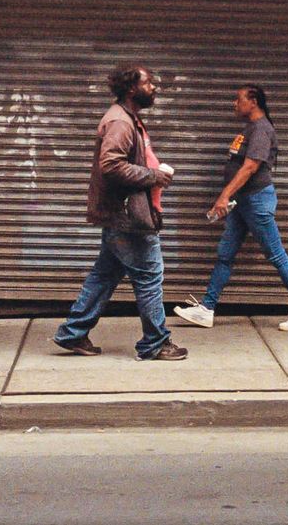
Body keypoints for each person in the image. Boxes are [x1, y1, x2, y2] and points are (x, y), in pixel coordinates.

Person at [53, 65, 188, 361]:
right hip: (129, 216)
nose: (154, 87)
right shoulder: (120, 122)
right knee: (149, 276)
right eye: (148, 82)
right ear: (131, 88)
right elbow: (112, 165)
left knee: (105, 275)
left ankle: (73, 333)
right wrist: (153, 176)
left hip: (123, 213)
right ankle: (155, 343)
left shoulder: (128, 118)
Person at [173, 84, 288, 332]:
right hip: (243, 201)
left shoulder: (261, 129)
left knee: (276, 254)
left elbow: (250, 167)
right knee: (226, 253)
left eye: (238, 98)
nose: (235, 103)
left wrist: (224, 195)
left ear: (253, 102)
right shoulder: (251, 128)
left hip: (256, 201)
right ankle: (206, 309)